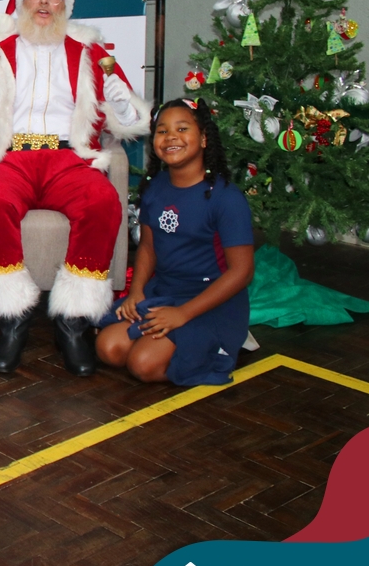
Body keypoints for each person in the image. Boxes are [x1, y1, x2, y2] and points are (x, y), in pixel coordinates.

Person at [0, 0, 150, 376]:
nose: (45, 3)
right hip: (8, 157)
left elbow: (127, 115)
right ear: (20, 2)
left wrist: (123, 108)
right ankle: (12, 319)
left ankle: (73, 322)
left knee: (102, 201)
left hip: (69, 158)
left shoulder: (91, 53)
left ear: (66, 6)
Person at [96, 99, 254, 385]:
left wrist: (182, 314)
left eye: (182, 129)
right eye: (162, 131)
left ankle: (212, 346)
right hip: (166, 290)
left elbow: (241, 272)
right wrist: (137, 292)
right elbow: (148, 247)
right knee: (109, 348)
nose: (171, 137)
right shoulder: (155, 187)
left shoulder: (226, 198)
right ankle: (170, 342)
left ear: (204, 138)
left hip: (210, 300)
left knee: (143, 364)